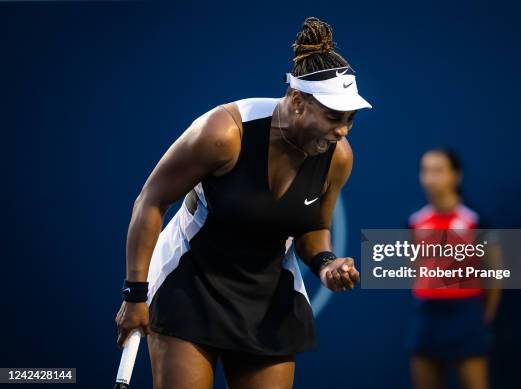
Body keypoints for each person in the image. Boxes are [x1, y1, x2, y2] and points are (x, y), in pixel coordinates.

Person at [114, 16, 372, 389]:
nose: (343, 130)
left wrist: (327, 264)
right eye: (334, 117)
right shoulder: (224, 133)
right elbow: (150, 201)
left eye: (350, 120)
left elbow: (313, 227)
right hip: (191, 285)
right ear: (297, 101)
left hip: (268, 298)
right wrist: (135, 294)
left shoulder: (339, 156)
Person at [407, 149, 501, 389]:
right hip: (427, 315)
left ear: (455, 176)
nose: (430, 178)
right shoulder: (415, 221)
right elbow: (413, 269)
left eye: (438, 171)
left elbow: (495, 272)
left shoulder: (475, 221)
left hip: (466, 314)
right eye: (425, 171)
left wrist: (483, 317)